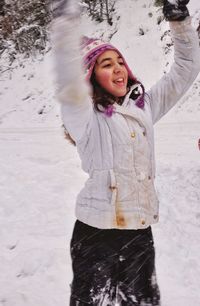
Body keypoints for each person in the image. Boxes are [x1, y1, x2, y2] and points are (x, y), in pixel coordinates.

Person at [52, 0, 200, 305]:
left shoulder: (143, 108)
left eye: (120, 61)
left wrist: (180, 22)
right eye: (106, 64)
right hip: (95, 236)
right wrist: (66, 25)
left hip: (139, 233)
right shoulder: (85, 119)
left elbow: (186, 70)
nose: (118, 68)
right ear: (91, 76)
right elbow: (68, 82)